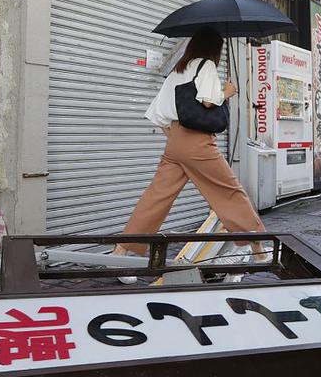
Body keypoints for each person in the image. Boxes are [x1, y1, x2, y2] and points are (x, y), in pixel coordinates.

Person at [111, 27, 268, 284]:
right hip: (197, 143)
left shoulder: (178, 70)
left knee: (156, 198)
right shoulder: (205, 65)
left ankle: (121, 254)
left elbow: (158, 114)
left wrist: (177, 141)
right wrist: (227, 92)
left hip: (174, 142)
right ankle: (258, 249)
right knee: (228, 191)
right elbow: (208, 101)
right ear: (213, 49)